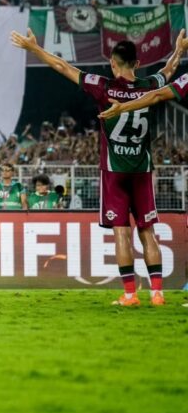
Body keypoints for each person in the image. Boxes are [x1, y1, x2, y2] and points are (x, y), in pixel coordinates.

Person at [14, 27, 186, 307]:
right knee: (148, 232)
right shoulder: (151, 85)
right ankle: (157, 293)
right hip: (142, 170)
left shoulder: (104, 87)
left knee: (122, 232)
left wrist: (34, 48)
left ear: (113, 64)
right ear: (138, 64)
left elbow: (62, 66)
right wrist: (179, 49)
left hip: (114, 172)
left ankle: (130, 295)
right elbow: (169, 68)